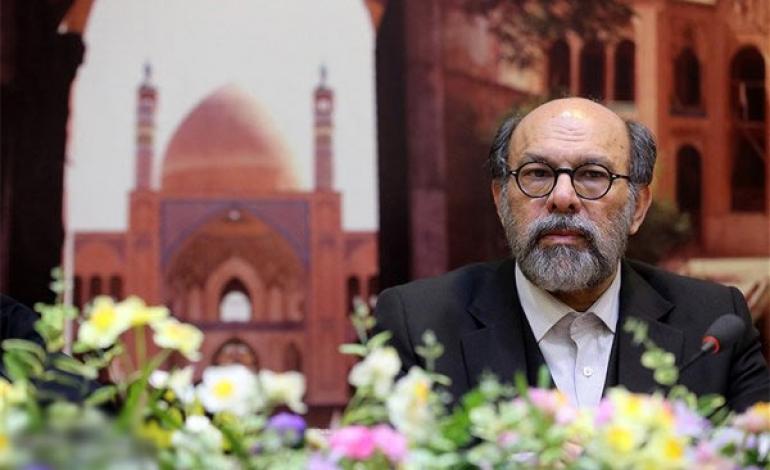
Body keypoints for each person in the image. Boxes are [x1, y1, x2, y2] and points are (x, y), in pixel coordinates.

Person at [374, 97, 770, 411]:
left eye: (593, 175)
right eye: (537, 174)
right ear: (500, 200)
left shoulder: (713, 325)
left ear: (638, 207)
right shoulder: (418, 324)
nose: (562, 197)